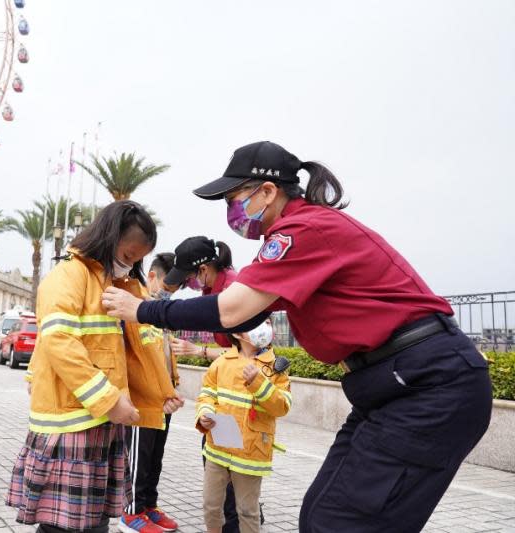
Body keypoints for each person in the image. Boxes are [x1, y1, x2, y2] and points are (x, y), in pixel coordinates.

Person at [102, 141, 493, 533]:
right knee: (320, 514)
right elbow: (245, 313)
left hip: (426, 388)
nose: (231, 212)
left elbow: (232, 311)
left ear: (268, 191)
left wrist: (141, 310)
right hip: (394, 387)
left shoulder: (303, 230)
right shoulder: (304, 230)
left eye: (234, 198)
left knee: (339, 522)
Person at [6, 200, 184, 533]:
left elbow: (137, 351)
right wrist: (108, 399)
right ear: (108, 239)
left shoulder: (122, 286)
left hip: (102, 420)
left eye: (137, 260)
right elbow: (61, 344)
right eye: (129, 256)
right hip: (69, 423)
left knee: (95, 522)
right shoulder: (67, 277)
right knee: (63, 526)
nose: (130, 266)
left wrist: (161, 393)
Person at [158, 236, 244, 533]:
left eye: (191, 276)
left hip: (239, 395)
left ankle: (238, 523)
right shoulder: (213, 288)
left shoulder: (233, 290)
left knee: (230, 468)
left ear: (205, 269)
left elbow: (249, 353)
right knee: (216, 461)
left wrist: (200, 352)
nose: (190, 283)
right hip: (222, 392)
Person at [196, 320, 291, 533]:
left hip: (251, 453)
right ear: (238, 333)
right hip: (217, 450)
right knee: (211, 506)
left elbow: (282, 407)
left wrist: (259, 383)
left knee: (248, 511)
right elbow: (207, 393)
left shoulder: (276, 367)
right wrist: (205, 414)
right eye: (257, 322)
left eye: (266, 322)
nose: (264, 326)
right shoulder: (222, 362)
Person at [120, 252, 180, 533]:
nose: (169, 294)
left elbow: (164, 355)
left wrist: (172, 388)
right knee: (138, 461)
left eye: (175, 290)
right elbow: (140, 359)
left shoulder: (159, 314)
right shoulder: (137, 308)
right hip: (144, 400)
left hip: (165, 401)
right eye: (167, 288)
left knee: (155, 460)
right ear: (153, 276)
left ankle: (148, 507)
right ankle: (131, 513)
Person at [164, 237, 236, 361]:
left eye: (188, 277)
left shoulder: (231, 292)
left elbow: (245, 354)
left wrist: (198, 350)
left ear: (203, 269)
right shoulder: (210, 289)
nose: (189, 283)